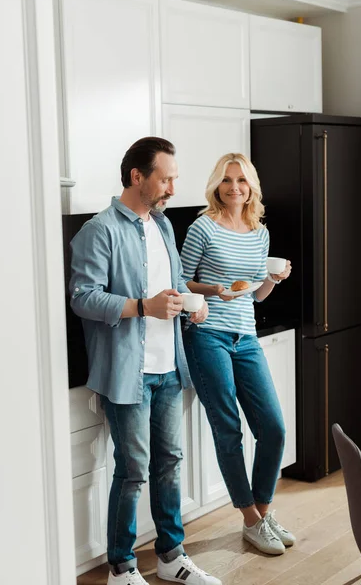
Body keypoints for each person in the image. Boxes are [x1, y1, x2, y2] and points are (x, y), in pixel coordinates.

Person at [69, 137, 221, 585]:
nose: (173, 187)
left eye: (174, 178)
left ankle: (172, 557)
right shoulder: (99, 230)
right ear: (138, 177)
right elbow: (82, 298)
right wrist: (142, 306)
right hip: (126, 373)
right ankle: (122, 567)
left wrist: (193, 302)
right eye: (166, 178)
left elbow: (168, 287)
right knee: (133, 470)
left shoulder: (163, 226)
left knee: (170, 462)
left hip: (169, 366)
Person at [181, 153, 295, 556]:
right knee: (228, 429)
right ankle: (250, 519)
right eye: (227, 180)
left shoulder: (258, 232)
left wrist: (272, 280)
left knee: (274, 428)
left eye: (242, 181)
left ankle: (261, 515)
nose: (234, 188)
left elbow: (256, 296)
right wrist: (215, 290)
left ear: (251, 187)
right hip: (206, 334)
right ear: (217, 185)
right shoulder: (203, 227)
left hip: (245, 336)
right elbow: (181, 280)